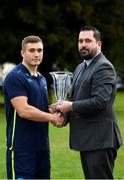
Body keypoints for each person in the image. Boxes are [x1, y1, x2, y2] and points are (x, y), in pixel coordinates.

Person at [51, 26, 122, 179]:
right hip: (89, 140)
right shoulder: (80, 67)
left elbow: (100, 102)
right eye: (80, 41)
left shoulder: (103, 67)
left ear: (99, 44)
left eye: (88, 41)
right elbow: (76, 100)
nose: (83, 44)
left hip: (100, 140)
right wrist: (63, 114)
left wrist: (69, 106)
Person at [3, 35, 64, 179]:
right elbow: (24, 111)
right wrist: (52, 117)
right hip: (21, 149)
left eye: (39, 50)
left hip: (42, 147)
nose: (36, 54)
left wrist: (54, 108)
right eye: (31, 50)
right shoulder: (15, 77)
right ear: (22, 53)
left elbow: (38, 108)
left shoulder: (41, 78)